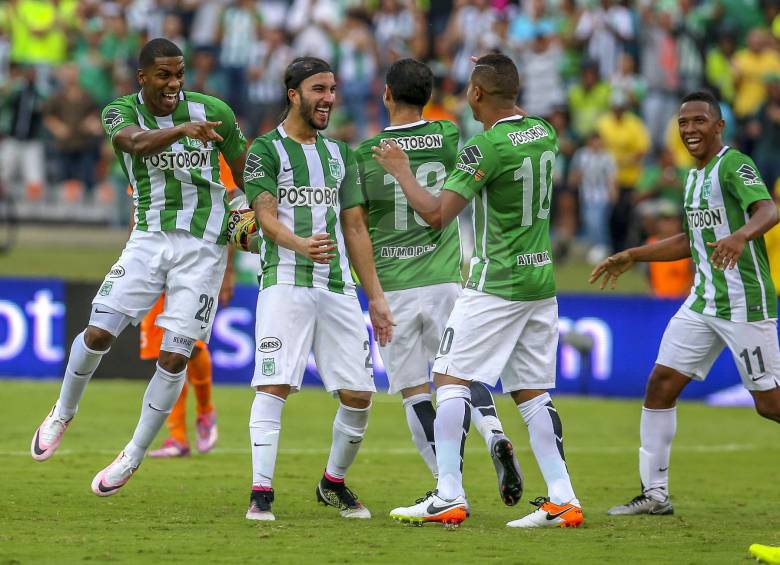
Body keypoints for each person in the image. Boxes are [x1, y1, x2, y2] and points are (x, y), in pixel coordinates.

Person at [30, 38, 248, 497]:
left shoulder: (215, 112)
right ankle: (62, 413)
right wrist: (183, 131)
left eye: (179, 74)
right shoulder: (119, 111)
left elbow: (246, 171)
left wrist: (248, 212)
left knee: (175, 356)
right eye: (164, 75)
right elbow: (132, 143)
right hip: (148, 238)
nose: (174, 83)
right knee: (98, 333)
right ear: (143, 77)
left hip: (204, 248)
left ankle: (132, 455)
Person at [373, 53, 583, 528]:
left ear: (477, 93)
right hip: (539, 280)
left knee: (448, 377)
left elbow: (436, 215)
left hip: (496, 283)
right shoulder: (544, 132)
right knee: (531, 392)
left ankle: (448, 494)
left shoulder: (485, 147)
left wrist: (402, 170)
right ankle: (563, 498)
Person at [591, 91, 780, 516]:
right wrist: (634, 254)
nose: (690, 129)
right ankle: (654, 495)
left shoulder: (734, 164)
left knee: (770, 404)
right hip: (702, 301)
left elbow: (769, 210)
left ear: (719, 126)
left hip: (743, 303)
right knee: (661, 383)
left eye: (699, 121)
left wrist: (741, 235)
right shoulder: (693, 177)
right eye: (683, 123)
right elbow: (692, 241)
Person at [354, 58, 523, 507]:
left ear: (387, 94)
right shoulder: (447, 135)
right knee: (461, 372)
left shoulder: (365, 154)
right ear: (428, 97)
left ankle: (448, 489)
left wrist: (371, 295)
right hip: (446, 279)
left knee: (415, 392)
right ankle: (495, 433)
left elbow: (357, 227)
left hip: (393, 287)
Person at [242, 56, 394, 522]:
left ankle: (332, 482)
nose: (328, 98)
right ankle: (261, 493)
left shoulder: (342, 155)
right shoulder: (265, 150)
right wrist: (301, 244)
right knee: (273, 385)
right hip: (284, 282)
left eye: (332, 89)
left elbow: (356, 229)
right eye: (318, 89)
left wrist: (376, 298)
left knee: (359, 395)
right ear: (294, 94)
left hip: (337, 287)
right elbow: (265, 218)